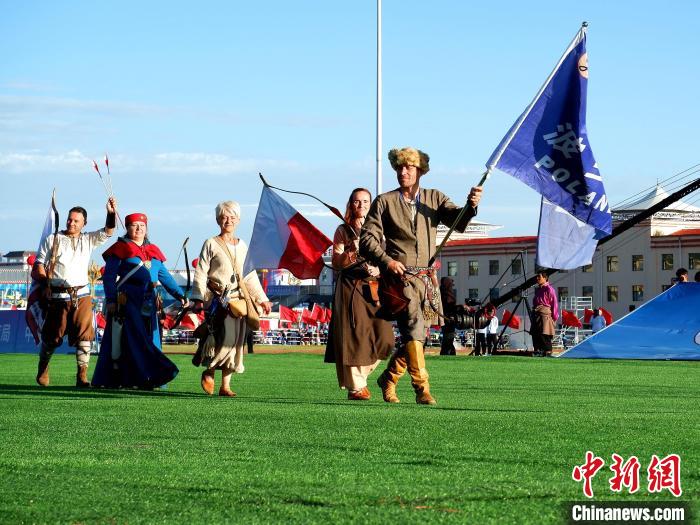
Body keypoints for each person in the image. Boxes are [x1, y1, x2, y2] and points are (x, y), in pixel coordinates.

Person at [361, 147, 482, 405]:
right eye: (399, 168)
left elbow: (457, 221)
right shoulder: (384, 201)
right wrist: (387, 261)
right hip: (399, 281)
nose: (403, 172)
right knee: (414, 327)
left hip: (427, 281)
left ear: (420, 171)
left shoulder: (434, 197)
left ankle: (389, 378)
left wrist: (471, 206)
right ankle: (421, 388)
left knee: (417, 336)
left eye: (409, 168)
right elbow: (367, 241)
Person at [91, 212, 187, 389]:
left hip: (149, 302)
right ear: (127, 228)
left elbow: (165, 277)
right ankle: (125, 379)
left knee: (150, 339)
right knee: (126, 341)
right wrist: (111, 299)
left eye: (142, 226)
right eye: (134, 225)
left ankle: (151, 378)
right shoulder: (120, 249)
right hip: (126, 302)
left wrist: (181, 295)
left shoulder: (153, 251)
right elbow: (109, 277)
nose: (138, 229)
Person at [32, 197, 117, 387]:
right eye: (70, 219)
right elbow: (38, 264)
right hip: (57, 296)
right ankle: (43, 367)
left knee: (85, 335)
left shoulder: (88, 240)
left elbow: (109, 231)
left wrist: (111, 213)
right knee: (52, 338)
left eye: (76, 220)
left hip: (82, 295)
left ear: (84, 223)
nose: (71, 222)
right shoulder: (52, 239)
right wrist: (45, 282)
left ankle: (82, 375)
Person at [190, 201, 272, 397]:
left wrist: (262, 299)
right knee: (223, 338)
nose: (228, 220)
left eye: (232, 217)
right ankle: (209, 370)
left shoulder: (243, 246)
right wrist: (198, 298)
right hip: (218, 299)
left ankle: (225, 385)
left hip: (239, 301)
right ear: (218, 219)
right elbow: (201, 272)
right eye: (225, 217)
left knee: (236, 342)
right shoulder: (210, 243)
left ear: (238, 220)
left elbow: (249, 275)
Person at [324, 188, 394, 400]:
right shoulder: (342, 230)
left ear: (371, 205)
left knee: (385, 338)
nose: (361, 205)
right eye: (357, 201)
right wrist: (351, 252)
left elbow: (390, 256)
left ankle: (361, 379)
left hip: (374, 287)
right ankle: (356, 387)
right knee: (353, 337)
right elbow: (336, 263)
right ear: (350, 204)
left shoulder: (380, 229)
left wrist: (380, 269)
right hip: (350, 288)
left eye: (365, 201)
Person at [531, 271, 559, 357]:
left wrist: (554, 317)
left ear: (545, 278)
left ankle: (548, 352)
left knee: (545, 334)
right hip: (536, 314)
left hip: (545, 315)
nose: (537, 278)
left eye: (539, 277)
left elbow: (554, 303)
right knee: (535, 334)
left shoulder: (549, 289)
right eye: (537, 277)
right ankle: (538, 351)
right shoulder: (538, 289)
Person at [439, 277, 457, 356]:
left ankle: (448, 352)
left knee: (448, 338)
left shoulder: (442, 293)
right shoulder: (447, 295)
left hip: (446, 319)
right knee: (449, 338)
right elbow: (450, 307)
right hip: (448, 319)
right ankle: (447, 353)